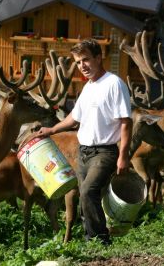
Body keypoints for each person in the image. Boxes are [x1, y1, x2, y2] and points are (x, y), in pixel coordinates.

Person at [34, 38, 133, 245]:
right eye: (78, 62)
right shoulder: (88, 87)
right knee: (84, 196)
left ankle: (99, 240)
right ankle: (91, 240)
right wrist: (52, 129)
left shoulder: (114, 84)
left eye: (86, 60)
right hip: (84, 151)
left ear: (99, 58)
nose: (82, 66)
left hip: (105, 152)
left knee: (89, 191)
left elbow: (126, 122)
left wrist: (123, 157)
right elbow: (73, 118)